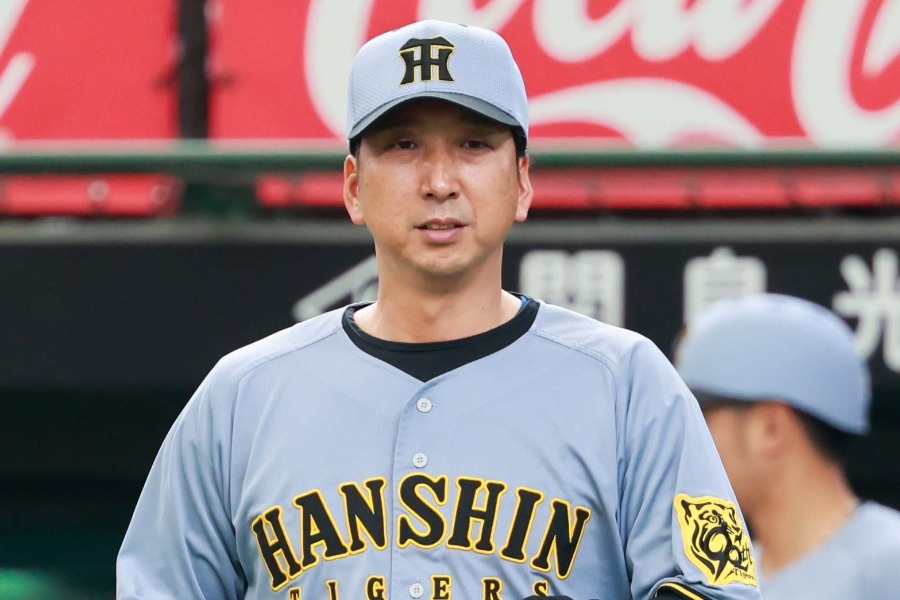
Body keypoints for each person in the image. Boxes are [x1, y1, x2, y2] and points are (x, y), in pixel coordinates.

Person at [117, 19, 760, 600]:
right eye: (403, 146)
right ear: (353, 187)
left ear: (523, 181)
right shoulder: (242, 397)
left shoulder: (625, 383)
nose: (440, 182)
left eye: (474, 145)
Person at [675, 293, 900, 599]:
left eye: (701, 417)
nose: (685, 440)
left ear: (771, 429)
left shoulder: (889, 566)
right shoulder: (721, 579)